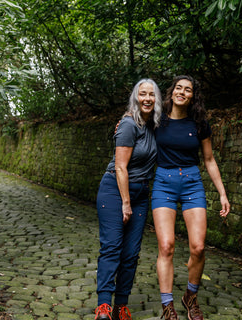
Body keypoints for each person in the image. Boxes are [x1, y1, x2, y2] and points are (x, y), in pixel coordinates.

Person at [151, 75, 231, 320]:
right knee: (166, 246)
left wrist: (222, 193)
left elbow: (209, 159)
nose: (182, 93)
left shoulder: (199, 124)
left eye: (188, 90)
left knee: (198, 247)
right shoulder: (156, 120)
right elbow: (134, 123)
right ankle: (167, 305)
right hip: (163, 183)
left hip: (192, 184)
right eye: (178, 88)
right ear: (171, 92)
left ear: (193, 96)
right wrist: (121, 124)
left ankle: (190, 297)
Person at [95, 79, 162, 320]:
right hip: (115, 191)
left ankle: (120, 305)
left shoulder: (155, 125)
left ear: (157, 99)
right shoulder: (128, 124)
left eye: (151, 95)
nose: (147, 99)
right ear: (135, 98)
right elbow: (121, 167)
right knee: (112, 247)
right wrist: (125, 203)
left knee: (131, 253)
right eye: (142, 94)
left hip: (141, 194)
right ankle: (103, 305)